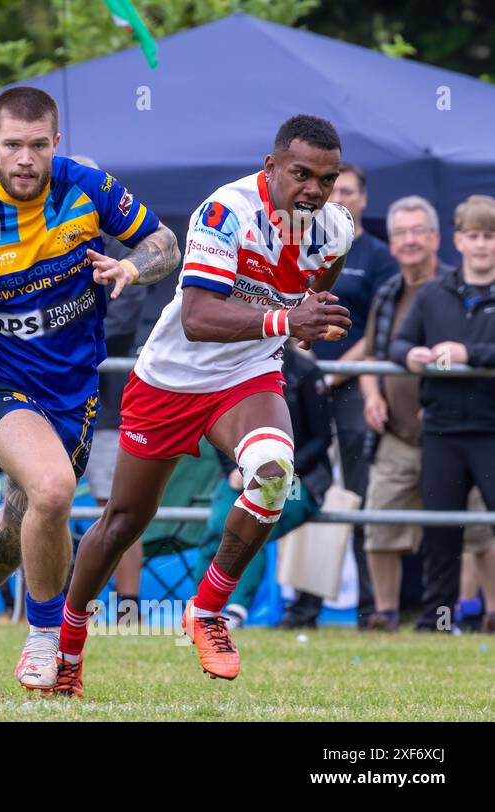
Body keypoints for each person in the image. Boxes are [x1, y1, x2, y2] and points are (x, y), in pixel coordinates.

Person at [0, 87, 181, 693]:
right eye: (13, 145)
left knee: (26, 513)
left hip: (74, 392)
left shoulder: (88, 188)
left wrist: (130, 266)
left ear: (55, 144)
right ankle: (46, 637)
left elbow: (165, 244)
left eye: (38, 145)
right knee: (53, 489)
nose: (25, 158)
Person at [64, 115, 355, 691]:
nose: (315, 190)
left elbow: (322, 280)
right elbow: (196, 319)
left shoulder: (336, 228)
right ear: (270, 167)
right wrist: (285, 318)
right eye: (301, 174)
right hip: (170, 379)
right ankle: (63, 643)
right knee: (124, 522)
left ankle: (208, 609)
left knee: (273, 475)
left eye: (328, 179)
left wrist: (307, 321)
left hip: (247, 377)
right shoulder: (225, 211)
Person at [278, 162, 398, 628]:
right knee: (306, 485)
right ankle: (304, 605)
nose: (339, 196)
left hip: (351, 391)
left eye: (348, 189)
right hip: (302, 387)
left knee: (358, 495)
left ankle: (373, 608)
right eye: (333, 188)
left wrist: (339, 372)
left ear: (365, 199)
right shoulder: (303, 243)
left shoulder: (379, 255)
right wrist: (299, 364)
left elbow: (380, 327)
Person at [389, 194, 495, 633]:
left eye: (490, 236)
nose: (482, 245)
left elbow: (473, 353)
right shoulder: (434, 293)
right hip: (442, 430)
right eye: (474, 236)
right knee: (441, 531)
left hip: (491, 429)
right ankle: (437, 620)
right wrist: (410, 354)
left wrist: (469, 353)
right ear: (457, 241)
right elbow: (395, 344)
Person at [193, 341, 334, 629]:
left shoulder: (305, 370)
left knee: (251, 527)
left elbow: (322, 439)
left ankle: (233, 610)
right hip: (240, 473)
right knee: (216, 529)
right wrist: (233, 469)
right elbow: (214, 425)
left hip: (297, 480)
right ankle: (201, 608)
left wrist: (282, 470)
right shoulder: (233, 366)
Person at [69, 155, 150, 622]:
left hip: (109, 410)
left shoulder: (125, 256)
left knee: (116, 512)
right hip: (46, 406)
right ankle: (50, 603)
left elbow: (110, 324)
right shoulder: (27, 243)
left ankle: (129, 606)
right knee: (46, 504)